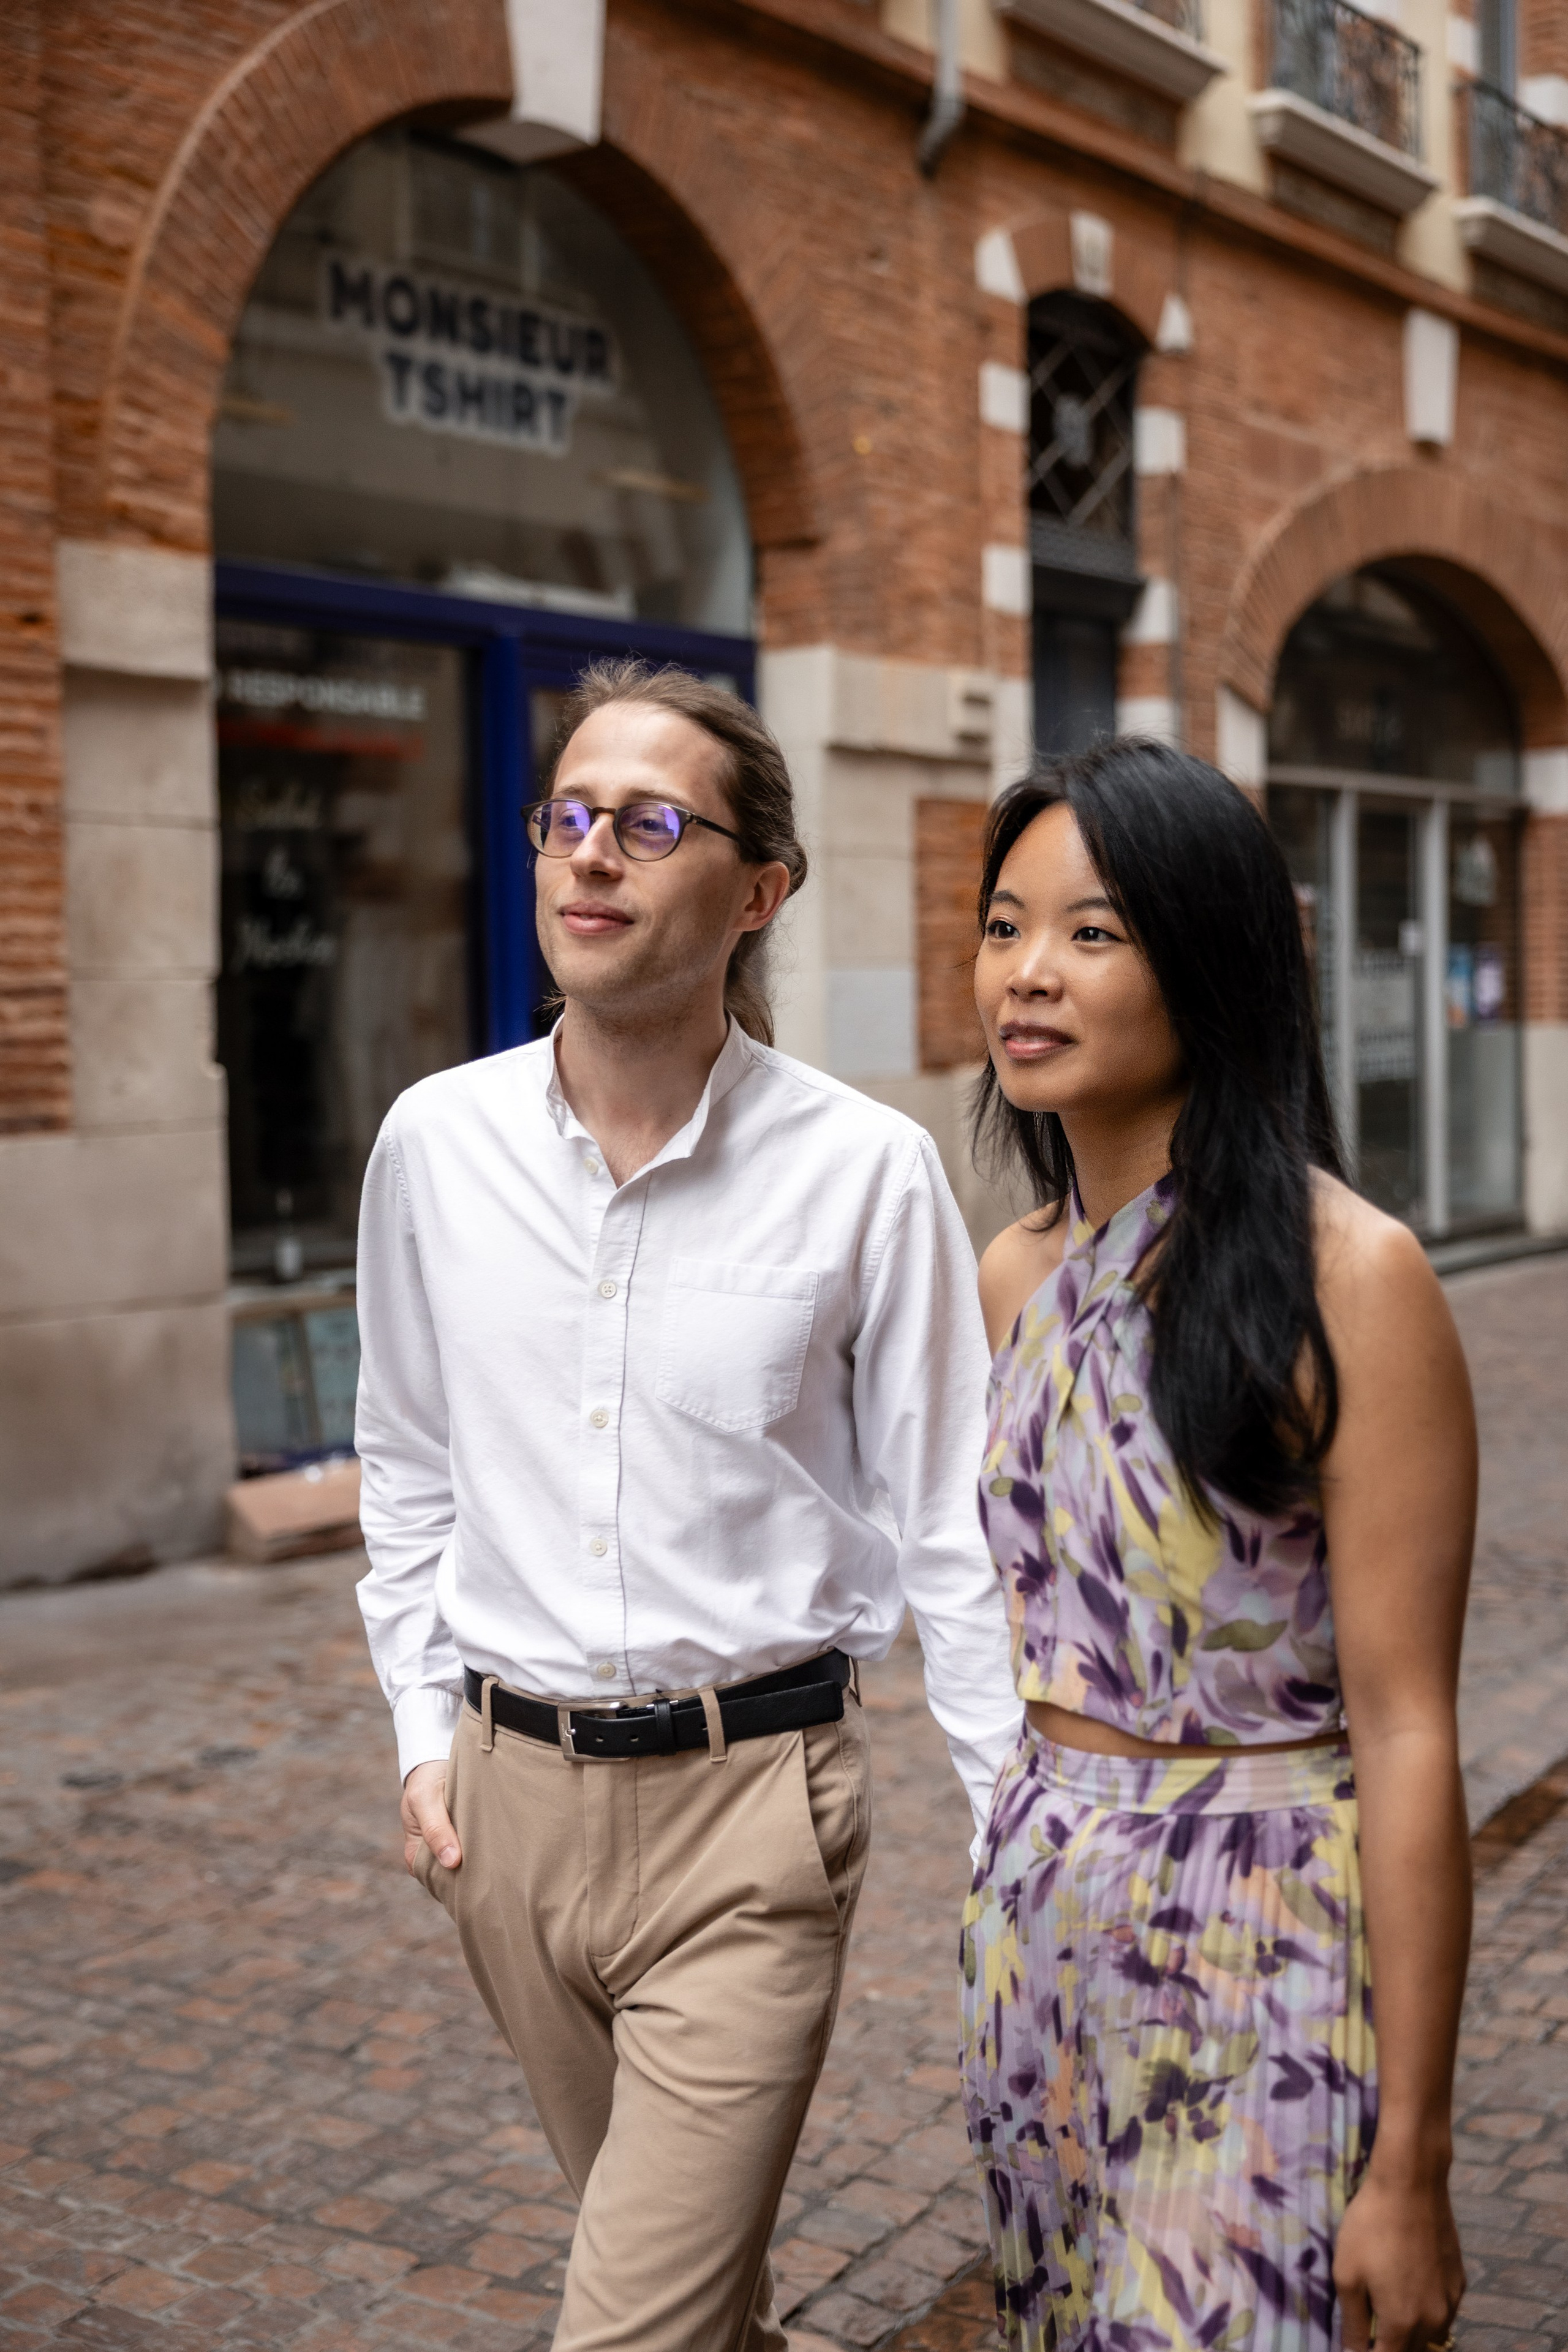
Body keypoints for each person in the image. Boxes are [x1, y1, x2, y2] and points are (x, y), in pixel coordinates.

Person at [353, 658, 1020, 2352]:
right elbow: (409, 1463)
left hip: (751, 1819)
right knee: (695, 2295)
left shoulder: (865, 1172)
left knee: (629, 2322)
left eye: (648, 825)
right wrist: (425, 1733)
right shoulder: (434, 1146)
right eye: (566, 819)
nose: (591, 858)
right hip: (504, 1821)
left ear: (757, 891)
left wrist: (1021, 1826)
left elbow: (952, 1519)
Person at [959, 743, 1473, 2352]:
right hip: (1037, 1921)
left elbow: (1406, 1727)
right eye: (1003, 924)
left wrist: (1414, 2157)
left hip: (1263, 1934)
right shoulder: (1011, 1275)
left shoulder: (1353, 1276)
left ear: (1212, 956)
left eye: (1094, 931)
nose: (1028, 973)